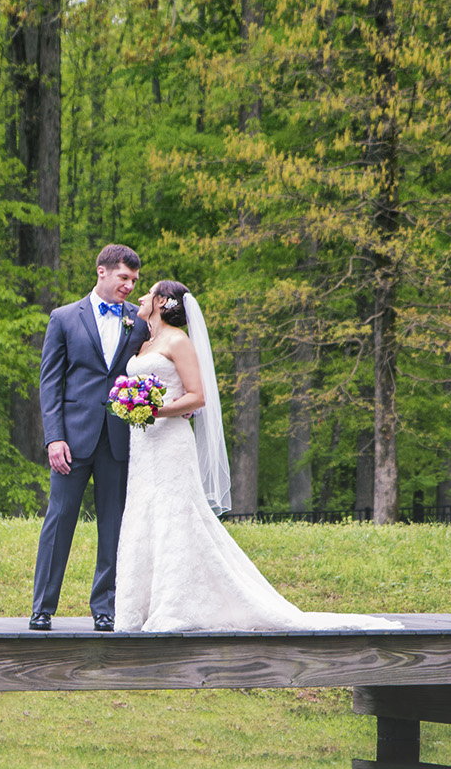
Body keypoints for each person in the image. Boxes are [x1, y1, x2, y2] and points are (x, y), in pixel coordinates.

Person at [112, 279, 402, 632]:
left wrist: (155, 411)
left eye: (147, 292)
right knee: (144, 517)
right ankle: (136, 608)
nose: (139, 297)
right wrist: (130, 405)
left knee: (175, 517)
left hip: (170, 442)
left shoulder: (178, 341)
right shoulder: (144, 342)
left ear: (160, 301)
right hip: (143, 445)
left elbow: (197, 396)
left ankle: (174, 604)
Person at [30, 245, 152, 633]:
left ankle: (105, 608)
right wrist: (54, 438)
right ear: (102, 272)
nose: (130, 286)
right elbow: (50, 383)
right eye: (124, 278)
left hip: (119, 438)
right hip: (72, 439)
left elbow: (155, 368)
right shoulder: (64, 318)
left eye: (134, 280)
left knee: (114, 525)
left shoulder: (141, 321)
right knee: (59, 518)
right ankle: (42, 608)